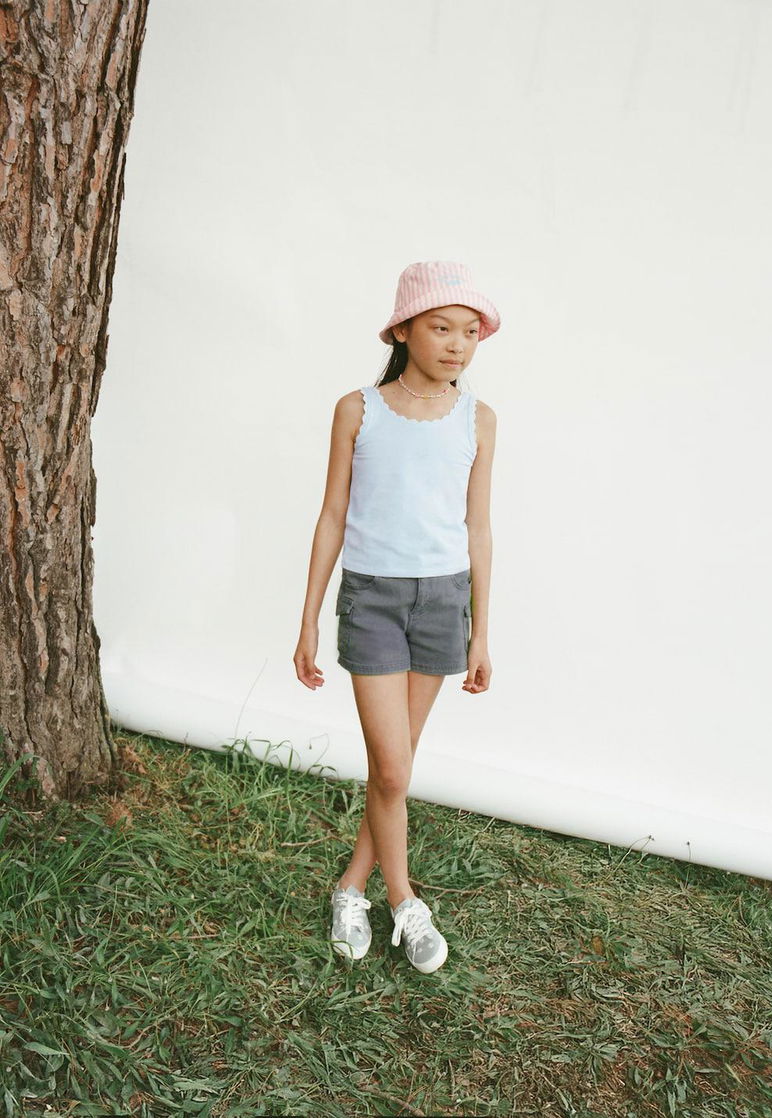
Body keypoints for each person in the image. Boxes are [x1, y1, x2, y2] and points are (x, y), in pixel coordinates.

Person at [293, 260, 500, 974]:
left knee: (394, 771)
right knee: (392, 766)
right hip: (374, 599)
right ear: (404, 329)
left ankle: (351, 886)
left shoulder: (478, 420)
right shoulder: (359, 410)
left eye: (469, 332)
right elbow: (331, 515)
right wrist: (309, 618)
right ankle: (405, 899)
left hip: (442, 601)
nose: (457, 344)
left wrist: (480, 630)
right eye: (442, 328)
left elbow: (478, 530)